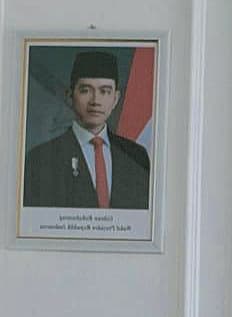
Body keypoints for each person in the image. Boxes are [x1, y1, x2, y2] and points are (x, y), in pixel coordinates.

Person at [22, 50, 150, 210]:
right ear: (70, 95)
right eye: (85, 90)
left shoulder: (137, 156)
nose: (95, 101)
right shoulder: (40, 159)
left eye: (105, 91)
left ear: (115, 98)